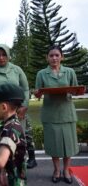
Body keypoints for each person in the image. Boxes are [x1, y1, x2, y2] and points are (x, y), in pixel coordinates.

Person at [0, 44, 37, 168]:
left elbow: (26, 89)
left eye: (4, 54)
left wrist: (24, 105)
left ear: (8, 56)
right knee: (1, 136)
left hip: (18, 108)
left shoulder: (17, 70)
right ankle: (2, 161)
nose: (1, 57)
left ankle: (27, 159)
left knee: (23, 133)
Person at [34, 45, 79, 184]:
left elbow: (75, 90)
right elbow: (38, 94)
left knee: (68, 145)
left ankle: (66, 170)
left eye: (57, 55)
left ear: (62, 57)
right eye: (51, 55)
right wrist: (37, 93)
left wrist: (76, 91)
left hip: (67, 113)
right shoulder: (41, 74)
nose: (54, 58)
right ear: (47, 58)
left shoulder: (70, 72)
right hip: (50, 114)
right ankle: (56, 170)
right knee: (54, 145)